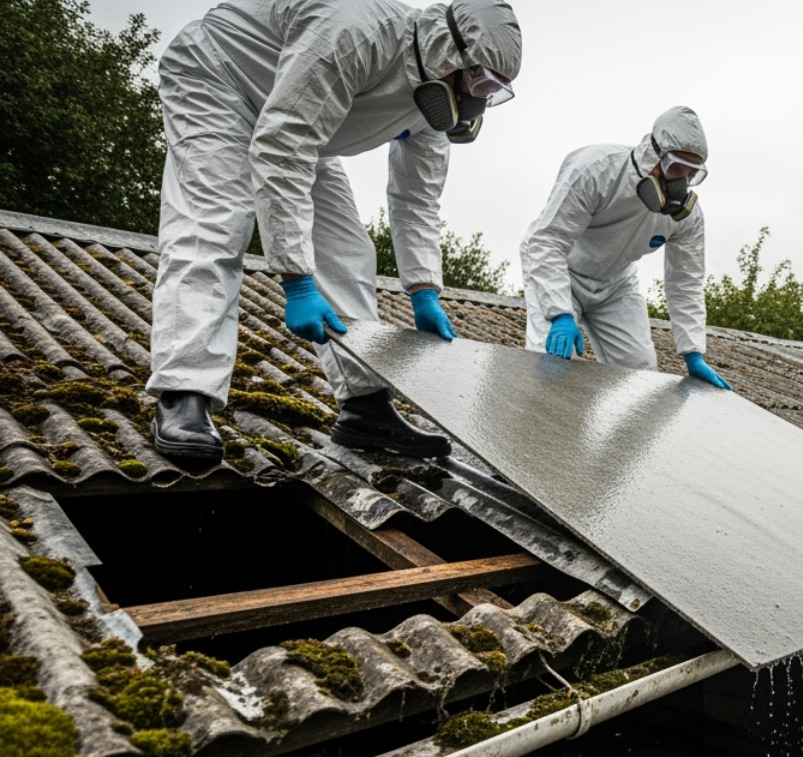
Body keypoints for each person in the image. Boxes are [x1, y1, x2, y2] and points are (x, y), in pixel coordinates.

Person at [148, 0, 523, 462]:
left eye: (494, 91)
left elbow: (416, 200)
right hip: (221, 79)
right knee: (215, 224)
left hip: (304, 123)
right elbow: (281, 146)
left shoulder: (431, 108)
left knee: (347, 251)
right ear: (451, 52)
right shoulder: (356, 31)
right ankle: (185, 393)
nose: (480, 99)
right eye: (481, 82)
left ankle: (365, 406)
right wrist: (296, 281)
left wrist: (424, 291)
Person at [519, 106, 731, 389]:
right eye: (676, 168)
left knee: (640, 376)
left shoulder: (687, 218)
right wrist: (559, 313)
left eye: (691, 173)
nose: (682, 182)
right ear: (653, 155)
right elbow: (548, 240)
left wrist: (693, 352)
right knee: (553, 368)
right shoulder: (596, 170)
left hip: (616, 285)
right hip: (561, 273)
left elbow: (686, 283)